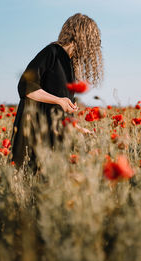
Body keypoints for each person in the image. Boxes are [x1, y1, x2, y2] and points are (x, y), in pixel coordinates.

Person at [11, 13, 104, 172]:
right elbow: (25, 86)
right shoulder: (51, 53)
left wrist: (79, 129)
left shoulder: (70, 64)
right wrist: (59, 100)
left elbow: (62, 111)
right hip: (35, 135)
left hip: (55, 138)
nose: (93, 46)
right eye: (92, 40)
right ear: (81, 35)